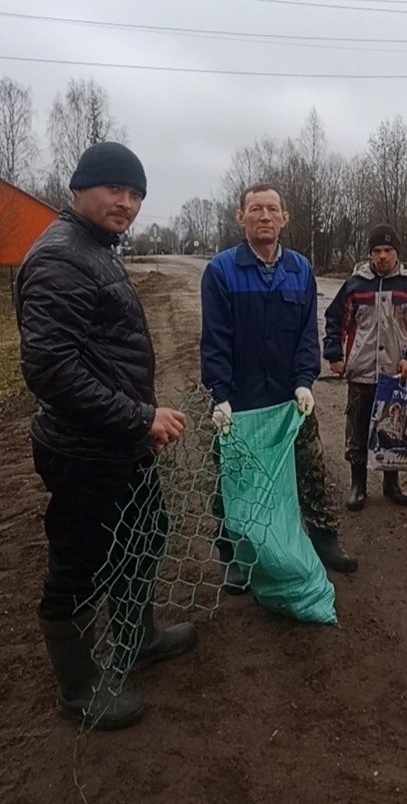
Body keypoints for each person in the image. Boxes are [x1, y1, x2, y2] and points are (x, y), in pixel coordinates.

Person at [15, 142, 196, 730]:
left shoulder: (95, 248)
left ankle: (135, 639)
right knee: (81, 564)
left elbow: (99, 353)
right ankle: (77, 689)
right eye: (115, 189)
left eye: (137, 193)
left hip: (121, 442)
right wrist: (139, 416)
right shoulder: (60, 258)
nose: (127, 202)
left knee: (145, 535)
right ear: (80, 189)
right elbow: (52, 370)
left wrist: (137, 419)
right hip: (84, 449)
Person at [200, 183, 357, 574]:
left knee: (311, 468)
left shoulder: (300, 270)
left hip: (290, 397)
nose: (265, 216)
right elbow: (215, 339)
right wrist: (220, 396)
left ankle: (324, 539)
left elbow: (308, 334)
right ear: (241, 218)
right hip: (239, 399)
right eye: (256, 209)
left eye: (272, 209)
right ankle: (233, 554)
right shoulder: (221, 271)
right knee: (234, 475)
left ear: (285, 219)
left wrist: (305, 380)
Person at [323, 223, 407, 510]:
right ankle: (358, 485)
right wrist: (335, 355)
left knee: (393, 431)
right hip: (360, 372)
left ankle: (391, 484)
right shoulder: (354, 285)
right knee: (357, 431)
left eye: (388, 250)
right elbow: (334, 319)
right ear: (370, 254)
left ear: (397, 252)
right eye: (376, 251)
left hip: (396, 376)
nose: (382, 256)